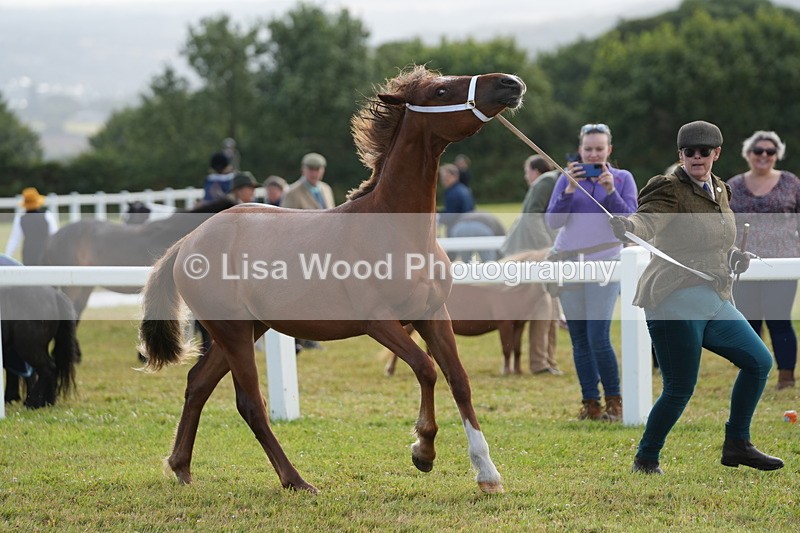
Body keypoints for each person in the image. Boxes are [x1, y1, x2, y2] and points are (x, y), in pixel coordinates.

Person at [609, 120, 783, 474]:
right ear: (681, 154)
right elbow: (648, 221)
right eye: (690, 152)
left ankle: (737, 443)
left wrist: (732, 255)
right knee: (679, 388)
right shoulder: (669, 188)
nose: (697, 157)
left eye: (704, 151)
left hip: (712, 295)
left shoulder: (721, 189)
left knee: (759, 362)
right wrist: (629, 226)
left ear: (717, 153)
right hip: (672, 296)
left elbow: (715, 239)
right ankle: (646, 458)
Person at [545, 123, 638, 421]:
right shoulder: (567, 178)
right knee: (579, 338)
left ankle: (614, 401)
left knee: (598, 335)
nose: (594, 154)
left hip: (606, 263)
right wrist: (569, 189)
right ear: (580, 149)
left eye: (599, 149)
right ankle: (590, 403)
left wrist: (611, 191)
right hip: (570, 262)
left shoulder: (623, 179)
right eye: (588, 149)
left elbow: (629, 221)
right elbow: (552, 222)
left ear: (609, 150)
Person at [728, 131, 800, 390]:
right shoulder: (733, 185)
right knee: (748, 322)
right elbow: (724, 224)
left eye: (770, 151)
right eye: (758, 150)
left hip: (782, 264)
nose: (764, 155)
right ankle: (751, 374)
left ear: (777, 155)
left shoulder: (791, 182)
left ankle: (786, 378)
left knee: (779, 319)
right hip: (745, 264)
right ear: (748, 154)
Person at [500, 155, 562, 376]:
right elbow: (531, 218)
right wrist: (550, 251)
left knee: (550, 309)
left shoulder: (546, 181)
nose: (526, 176)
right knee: (545, 308)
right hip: (532, 255)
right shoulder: (548, 182)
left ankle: (546, 361)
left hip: (538, 254)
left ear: (535, 171)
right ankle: (540, 363)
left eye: (526, 171)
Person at [438, 163, 502, 261]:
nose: (443, 180)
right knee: (489, 263)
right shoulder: (464, 189)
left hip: (463, 227)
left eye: (445, 176)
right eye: (442, 177)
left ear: (455, 176)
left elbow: (451, 215)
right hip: (479, 225)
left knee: (467, 264)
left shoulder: (452, 193)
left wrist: (438, 218)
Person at [4, 187, 59, 265]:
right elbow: (54, 236)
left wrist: (7, 257)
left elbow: (14, 240)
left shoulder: (20, 218)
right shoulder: (47, 215)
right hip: (45, 253)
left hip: (28, 254)